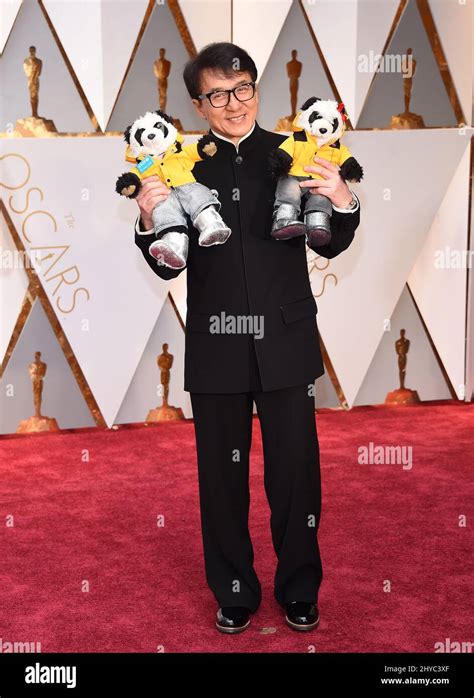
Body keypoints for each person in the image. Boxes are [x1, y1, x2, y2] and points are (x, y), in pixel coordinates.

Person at [133, 43, 360, 634]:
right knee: (221, 477)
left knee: (296, 473)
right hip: (216, 342)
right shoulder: (178, 163)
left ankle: (300, 589)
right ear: (197, 104)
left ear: (257, 90)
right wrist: (145, 217)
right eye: (217, 95)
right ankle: (234, 590)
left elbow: (328, 242)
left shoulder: (291, 152)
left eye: (243, 89)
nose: (233, 104)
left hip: (285, 337)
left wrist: (342, 200)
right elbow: (166, 265)